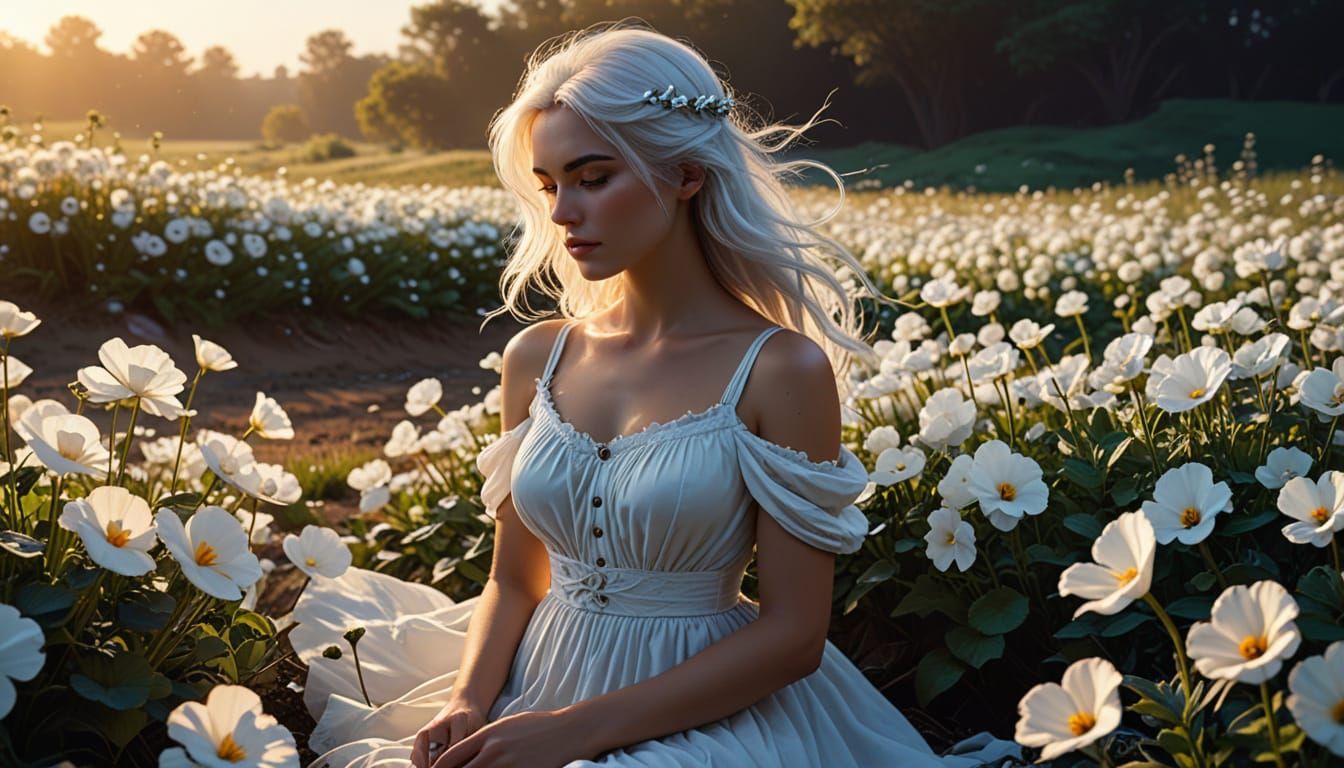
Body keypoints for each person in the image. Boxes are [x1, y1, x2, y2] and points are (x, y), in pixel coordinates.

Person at [289, 22, 1021, 768]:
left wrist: (573, 732)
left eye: (594, 177)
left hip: (707, 710)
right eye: (549, 186)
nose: (563, 213)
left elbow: (795, 636)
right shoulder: (537, 356)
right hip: (534, 682)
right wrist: (468, 701)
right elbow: (515, 579)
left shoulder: (780, 370)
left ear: (686, 175)